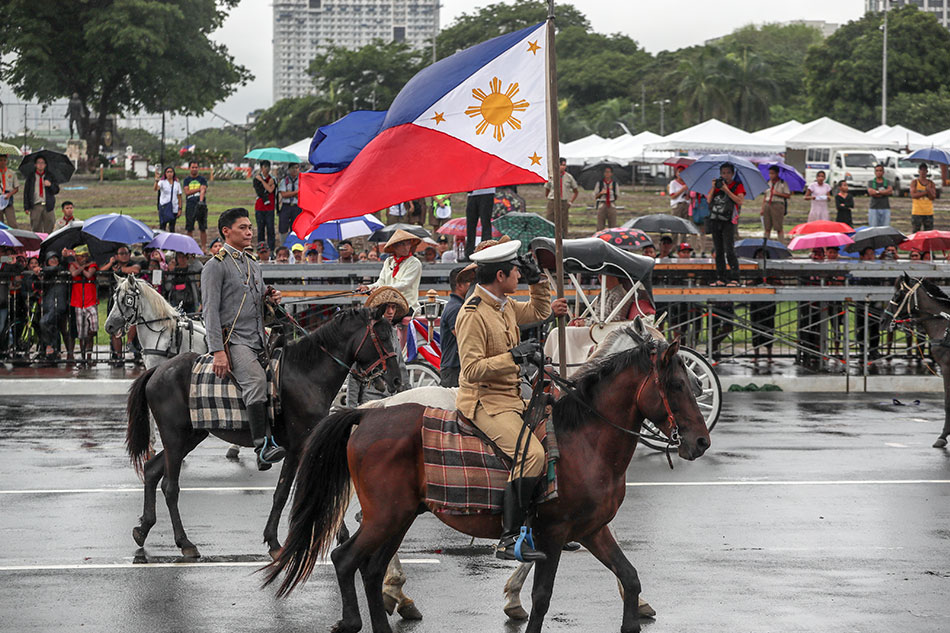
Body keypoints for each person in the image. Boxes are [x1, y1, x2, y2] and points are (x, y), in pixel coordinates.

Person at [456, 240, 568, 562]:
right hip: (485, 401)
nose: (519, 274)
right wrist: (513, 357)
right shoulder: (473, 314)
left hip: (511, 396)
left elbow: (539, 311)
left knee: (555, 436)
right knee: (531, 455)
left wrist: (538, 282)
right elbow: (472, 369)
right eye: (517, 271)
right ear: (501, 275)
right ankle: (508, 538)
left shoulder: (502, 304)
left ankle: (546, 524)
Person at [201, 207, 284, 471]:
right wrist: (218, 351)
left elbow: (257, 307)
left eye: (250, 227)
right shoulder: (215, 266)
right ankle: (262, 447)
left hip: (260, 339)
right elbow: (210, 311)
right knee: (257, 381)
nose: (249, 232)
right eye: (243, 228)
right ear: (226, 231)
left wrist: (271, 300)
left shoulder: (253, 264)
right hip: (234, 341)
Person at [345, 286, 409, 407]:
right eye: (387, 307)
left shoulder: (393, 333)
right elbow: (354, 376)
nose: (390, 311)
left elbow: (400, 366)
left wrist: (409, 397)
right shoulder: (365, 335)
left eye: (393, 307)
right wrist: (351, 409)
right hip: (370, 400)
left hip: (392, 398)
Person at [358, 230, 423, 313]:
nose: (406, 247)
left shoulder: (414, 262)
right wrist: (368, 287)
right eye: (402, 244)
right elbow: (381, 282)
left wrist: (381, 290)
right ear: (394, 247)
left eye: (408, 243)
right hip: (388, 304)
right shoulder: (388, 261)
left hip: (407, 306)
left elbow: (405, 284)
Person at [706, 163, 744, 287]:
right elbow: (708, 200)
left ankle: (735, 277)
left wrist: (726, 190)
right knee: (719, 250)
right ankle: (720, 277)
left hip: (729, 221)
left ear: (732, 174)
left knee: (729, 249)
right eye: (723, 173)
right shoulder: (718, 185)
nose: (725, 175)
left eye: (728, 173)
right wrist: (713, 187)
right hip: (716, 219)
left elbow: (739, 201)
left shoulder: (738, 186)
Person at [439, 266, 473, 387]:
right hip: (453, 368)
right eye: (470, 282)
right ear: (459, 285)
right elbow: (462, 336)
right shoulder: (456, 308)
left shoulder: (457, 305)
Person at [68, 245, 98, 365]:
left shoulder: (92, 265)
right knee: (81, 333)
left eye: (86, 256)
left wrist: (83, 267)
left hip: (90, 300)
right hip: (78, 301)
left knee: (93, 329)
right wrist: (82, 267)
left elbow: (89, 275)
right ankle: (83, 356)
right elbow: (74, 273)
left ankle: (89, 355)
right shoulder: (72, 265)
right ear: (77, 257)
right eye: (82, 256)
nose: (84, 258)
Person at [23, 156, 59, 233]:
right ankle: (37, 244)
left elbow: (56, 190)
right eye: (38, 163)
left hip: (48, 206)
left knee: (50, 227)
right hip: (35, 205)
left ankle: (49, 244)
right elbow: (26, 192)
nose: (40, 164)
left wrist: (50, 185)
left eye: (42, 163)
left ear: (45, 165)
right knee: (36, 228)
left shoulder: (50, 176)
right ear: (35, 165)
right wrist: (26, 207)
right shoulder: (31, 177)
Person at [183, 161, 209, 250]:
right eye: (192, 167)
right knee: (190, 227)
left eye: (196, 167)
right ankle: (190, 248)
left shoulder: (202, 179)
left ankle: (204, 247)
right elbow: (187, 192)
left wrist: (201, 202)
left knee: (202, 227)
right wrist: (199, 189)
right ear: (189, 168)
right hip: (190, 205)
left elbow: (203, 190)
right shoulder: (186, 180)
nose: (194, 169)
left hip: (201, 205)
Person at [253, 160, 278, 252]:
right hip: (260, 207)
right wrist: (264, 183)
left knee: (270, 228)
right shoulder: (256, 179)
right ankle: (261, 248)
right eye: (264, 167)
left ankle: (271, 249)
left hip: (270, 207)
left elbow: (270, 190)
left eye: (268, 167)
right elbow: (259, 191)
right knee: (260, 229)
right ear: (261, 168)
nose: (266, 169)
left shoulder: (273, 179)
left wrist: (263, 182)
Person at [544, 158, 578, 225]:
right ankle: (550, 235)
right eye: (561, 165)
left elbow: (576, 191)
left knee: (563, 222)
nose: (563, 167)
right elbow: (547, 189)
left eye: (564, 165)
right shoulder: (551, 176)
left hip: (563, 202)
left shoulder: (569, 177)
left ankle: (564, 235)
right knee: (550, 220)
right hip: (552, 201)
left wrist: (570, 202)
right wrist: (549, 198)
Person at [761, 166, 790, 241]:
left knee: (778, 227)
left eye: (773, 173)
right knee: (767, 227)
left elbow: (788, 195)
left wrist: (777, 193)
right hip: (768, 204)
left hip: (777, 205)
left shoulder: (782, 183)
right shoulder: (768, 182)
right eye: (770, 173)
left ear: (777, 173)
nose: (771, 175)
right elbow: (765, 196)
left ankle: (781, 243)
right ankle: (765, 244)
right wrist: (762, 208)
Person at [464, 188, 495, 258]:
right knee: (470, 224)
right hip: (472, 193)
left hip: (487, 192)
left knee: (485, 223)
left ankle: (485, 251)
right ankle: (469, 253)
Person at [277, 163, 300, 246]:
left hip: (297, 207)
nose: (295, 170)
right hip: (286, 206)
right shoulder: (285, 181)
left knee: (296, 228)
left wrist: (290, 193)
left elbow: (302, 194)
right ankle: (283, 246)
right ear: (289, 169)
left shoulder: (301, 180)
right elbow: (283, 194)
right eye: (293, 168)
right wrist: (296, 192)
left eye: (297, 168)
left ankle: (294, 245)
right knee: (283, 227)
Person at [154, 166, 183, 233]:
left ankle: (171, 242)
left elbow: (179, 197)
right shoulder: (162, 182)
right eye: (168, 172)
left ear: (173, 173)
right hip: (164, 207)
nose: (169, 173)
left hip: (174, 208)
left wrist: (180, 208)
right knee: (162, 226)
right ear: (165, 173)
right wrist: (156, 180)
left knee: (172, 227)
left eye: (171, 172)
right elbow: (156, 189)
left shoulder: (177, 184)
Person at [910, 163, 937, 233]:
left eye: (925, 170)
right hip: (917, 211)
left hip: (928, 212)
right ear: (919, 171)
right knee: (915, 232)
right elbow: (913, 195)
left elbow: (933, 197)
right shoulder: (915, 182)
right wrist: (925, 192)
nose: (923, 172)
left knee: (929, 233)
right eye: (921, 170)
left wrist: (930, 191)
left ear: (927, 172)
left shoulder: (931, 183)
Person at [668, 165, 690, 243]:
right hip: (677, 205)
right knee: (675, 226)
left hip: (686, 204)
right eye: (679, 172)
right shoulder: (673, 183)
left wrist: (688, 195)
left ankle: (683, 244)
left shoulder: (688, 182)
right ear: (676, 173)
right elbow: (673, 196)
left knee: (684, 226)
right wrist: (682, 189)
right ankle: (673, 245)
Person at [594, 165, 619, 231]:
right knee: (600, 225)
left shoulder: (614, 184)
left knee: (613, 225)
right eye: (605, 172)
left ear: (611, 173)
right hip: (602, 204)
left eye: (608, 172)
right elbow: (595, 196)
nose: (607, 174)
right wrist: (601, 193)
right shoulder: (600, 183)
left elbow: (616, 196)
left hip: (611, 204)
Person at [0, 154, 20, 229]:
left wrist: (10, 194)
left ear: (7, 161)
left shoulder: (12, 173)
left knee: (12, 223)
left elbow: (16, 188)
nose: (2, 162)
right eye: (0, 160)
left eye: (4, 160)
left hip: (8, 199)